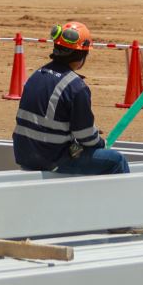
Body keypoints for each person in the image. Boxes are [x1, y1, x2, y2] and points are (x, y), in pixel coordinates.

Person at [12, 21, 130, 176]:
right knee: (116, 161)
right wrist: (100, 142)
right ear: (82, 55)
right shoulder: (76, 87)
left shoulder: (37, 75)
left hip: (23, 154)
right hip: (51, 158)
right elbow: (86, 137)